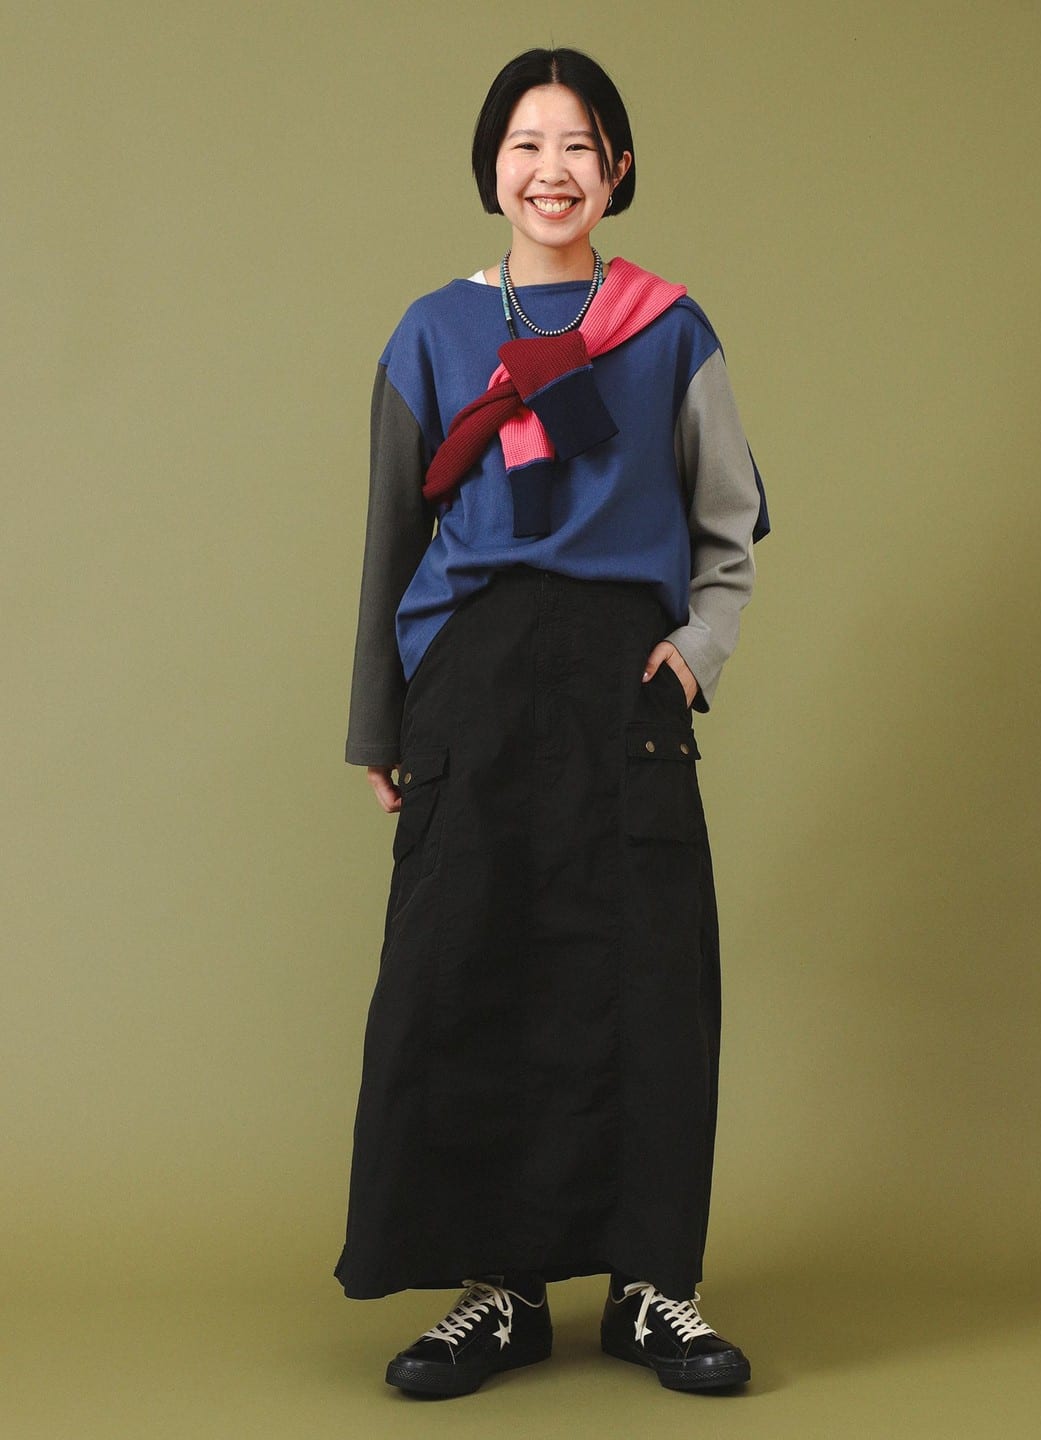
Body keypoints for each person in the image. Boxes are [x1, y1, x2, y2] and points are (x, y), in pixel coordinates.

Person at [335, 46, 768, 1399]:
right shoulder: (431, 333)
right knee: (469, 974)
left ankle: (651, 1289)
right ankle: (499, 1291)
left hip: (623, 691)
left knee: (648, 981)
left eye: (579, 144)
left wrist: (694, 656)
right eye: (526, 144)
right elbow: (390, 540)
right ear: (491, 169)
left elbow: (729, 524)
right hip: (470, 688)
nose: (551, 170)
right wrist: (381, 723)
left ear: (618, 170)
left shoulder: (670, 331)